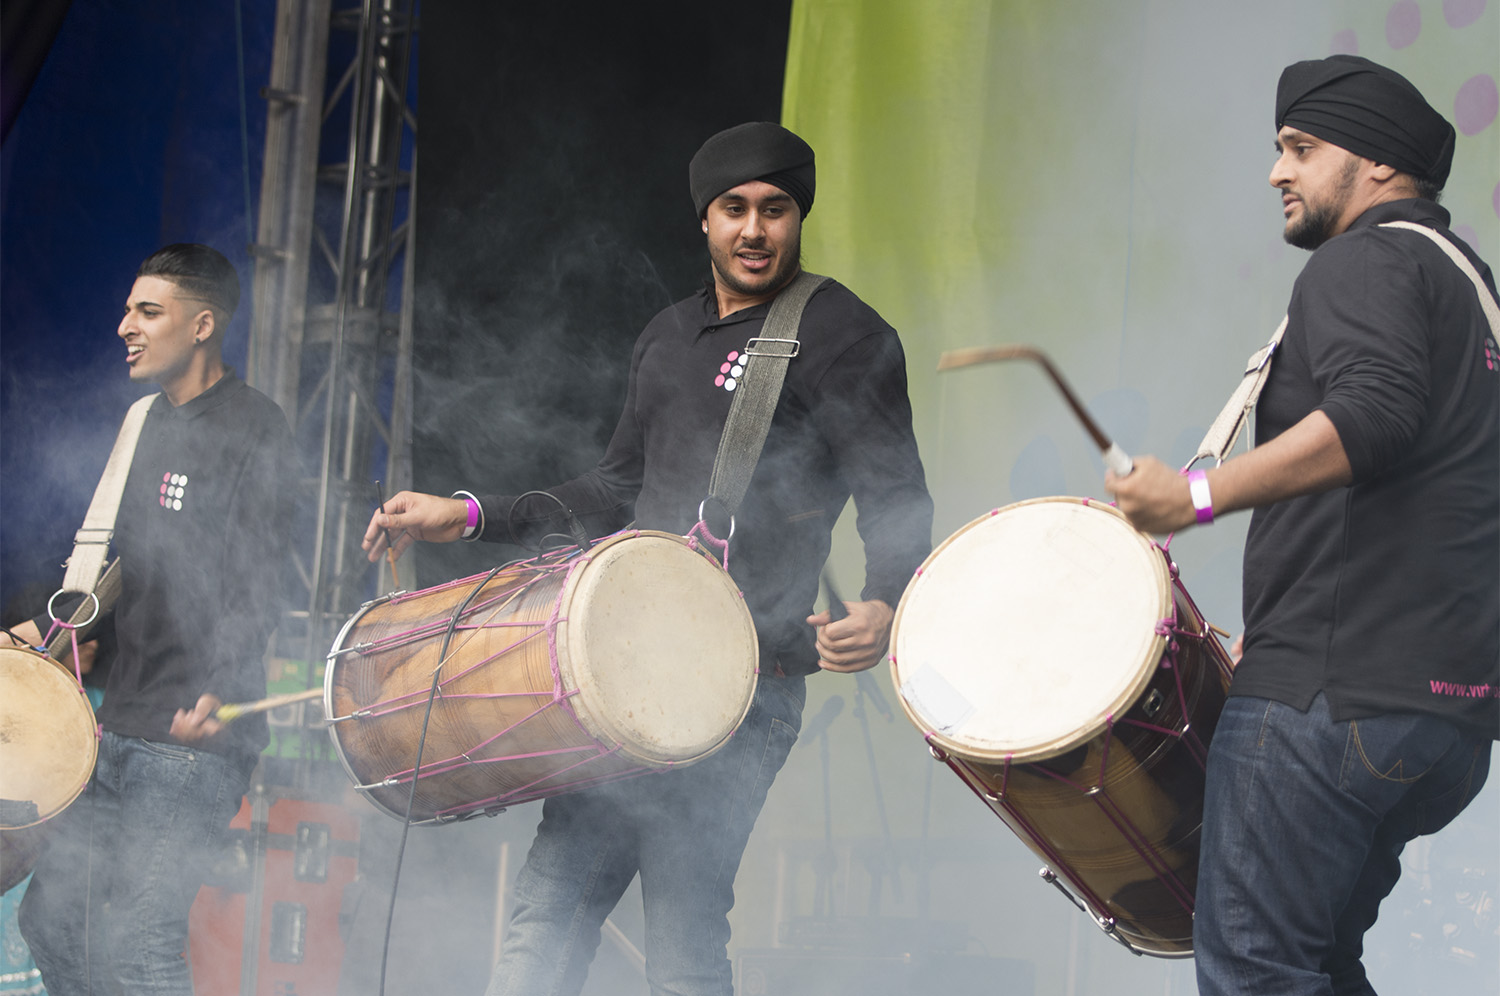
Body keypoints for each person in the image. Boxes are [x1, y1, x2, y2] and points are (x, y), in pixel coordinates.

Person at [363, 121, 934, 996]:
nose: (754, 229)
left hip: (747, 688)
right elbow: (613, 487)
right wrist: (469, 513)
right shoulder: (667, 337)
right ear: (703, 221)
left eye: (774, 210)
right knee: (547, 913)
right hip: (620, 678)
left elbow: (898, 496)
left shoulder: (845, 334)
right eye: (733, 209)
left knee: (684, 935)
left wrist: (884, 599)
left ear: (798, 217)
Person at [1106, 56, 1497, 995]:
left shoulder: (1366, 258)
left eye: (1301, 149)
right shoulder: (1470, 287)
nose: (1277, 172)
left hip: (1332, 700)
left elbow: (1375, 415)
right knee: (1315, 965)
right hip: (1444, 717)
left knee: (1255, 973)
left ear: (1377, 166)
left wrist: (1196, 498)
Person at [8, 244, 293, 995]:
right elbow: (115, 566)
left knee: (139, 946)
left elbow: (261, 576)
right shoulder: (141, 422)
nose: (124, 326)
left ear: (202, 325)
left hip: (191, 740)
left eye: (148, 311)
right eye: (129, 309)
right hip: (119, 726)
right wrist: (41, 632)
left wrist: (222, 690)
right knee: (53, 923)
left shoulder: (256, 429)